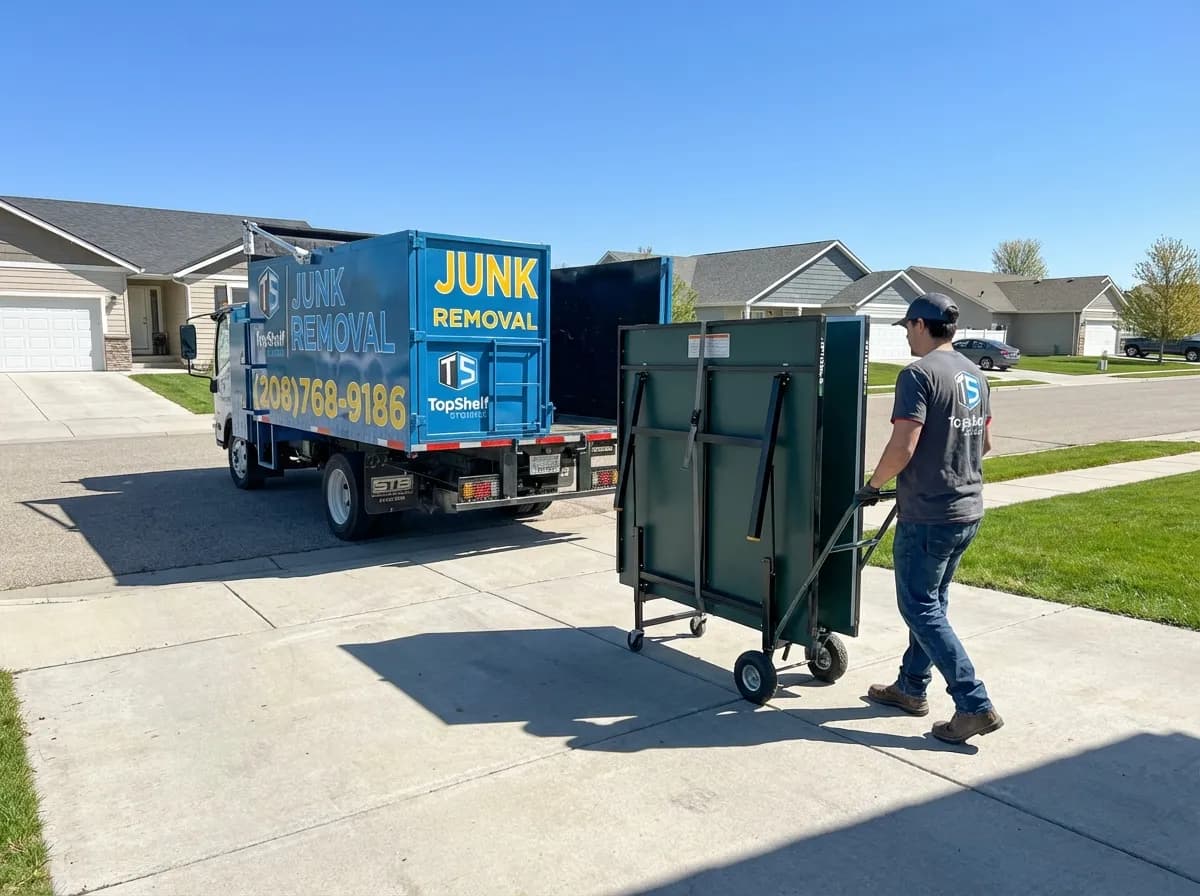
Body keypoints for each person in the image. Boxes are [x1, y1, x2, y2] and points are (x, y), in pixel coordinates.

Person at [856, 292, 1003, 744]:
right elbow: (985, 444)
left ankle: (973, 703)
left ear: (921, 325)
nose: (906, 335)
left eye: (907, 327)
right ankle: (911, 687)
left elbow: (903, 445)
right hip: (967, 508)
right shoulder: (974, 374)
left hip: (929, 514)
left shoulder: (917, 375)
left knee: (919, 606)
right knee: (933, 603)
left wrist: (873, 485)